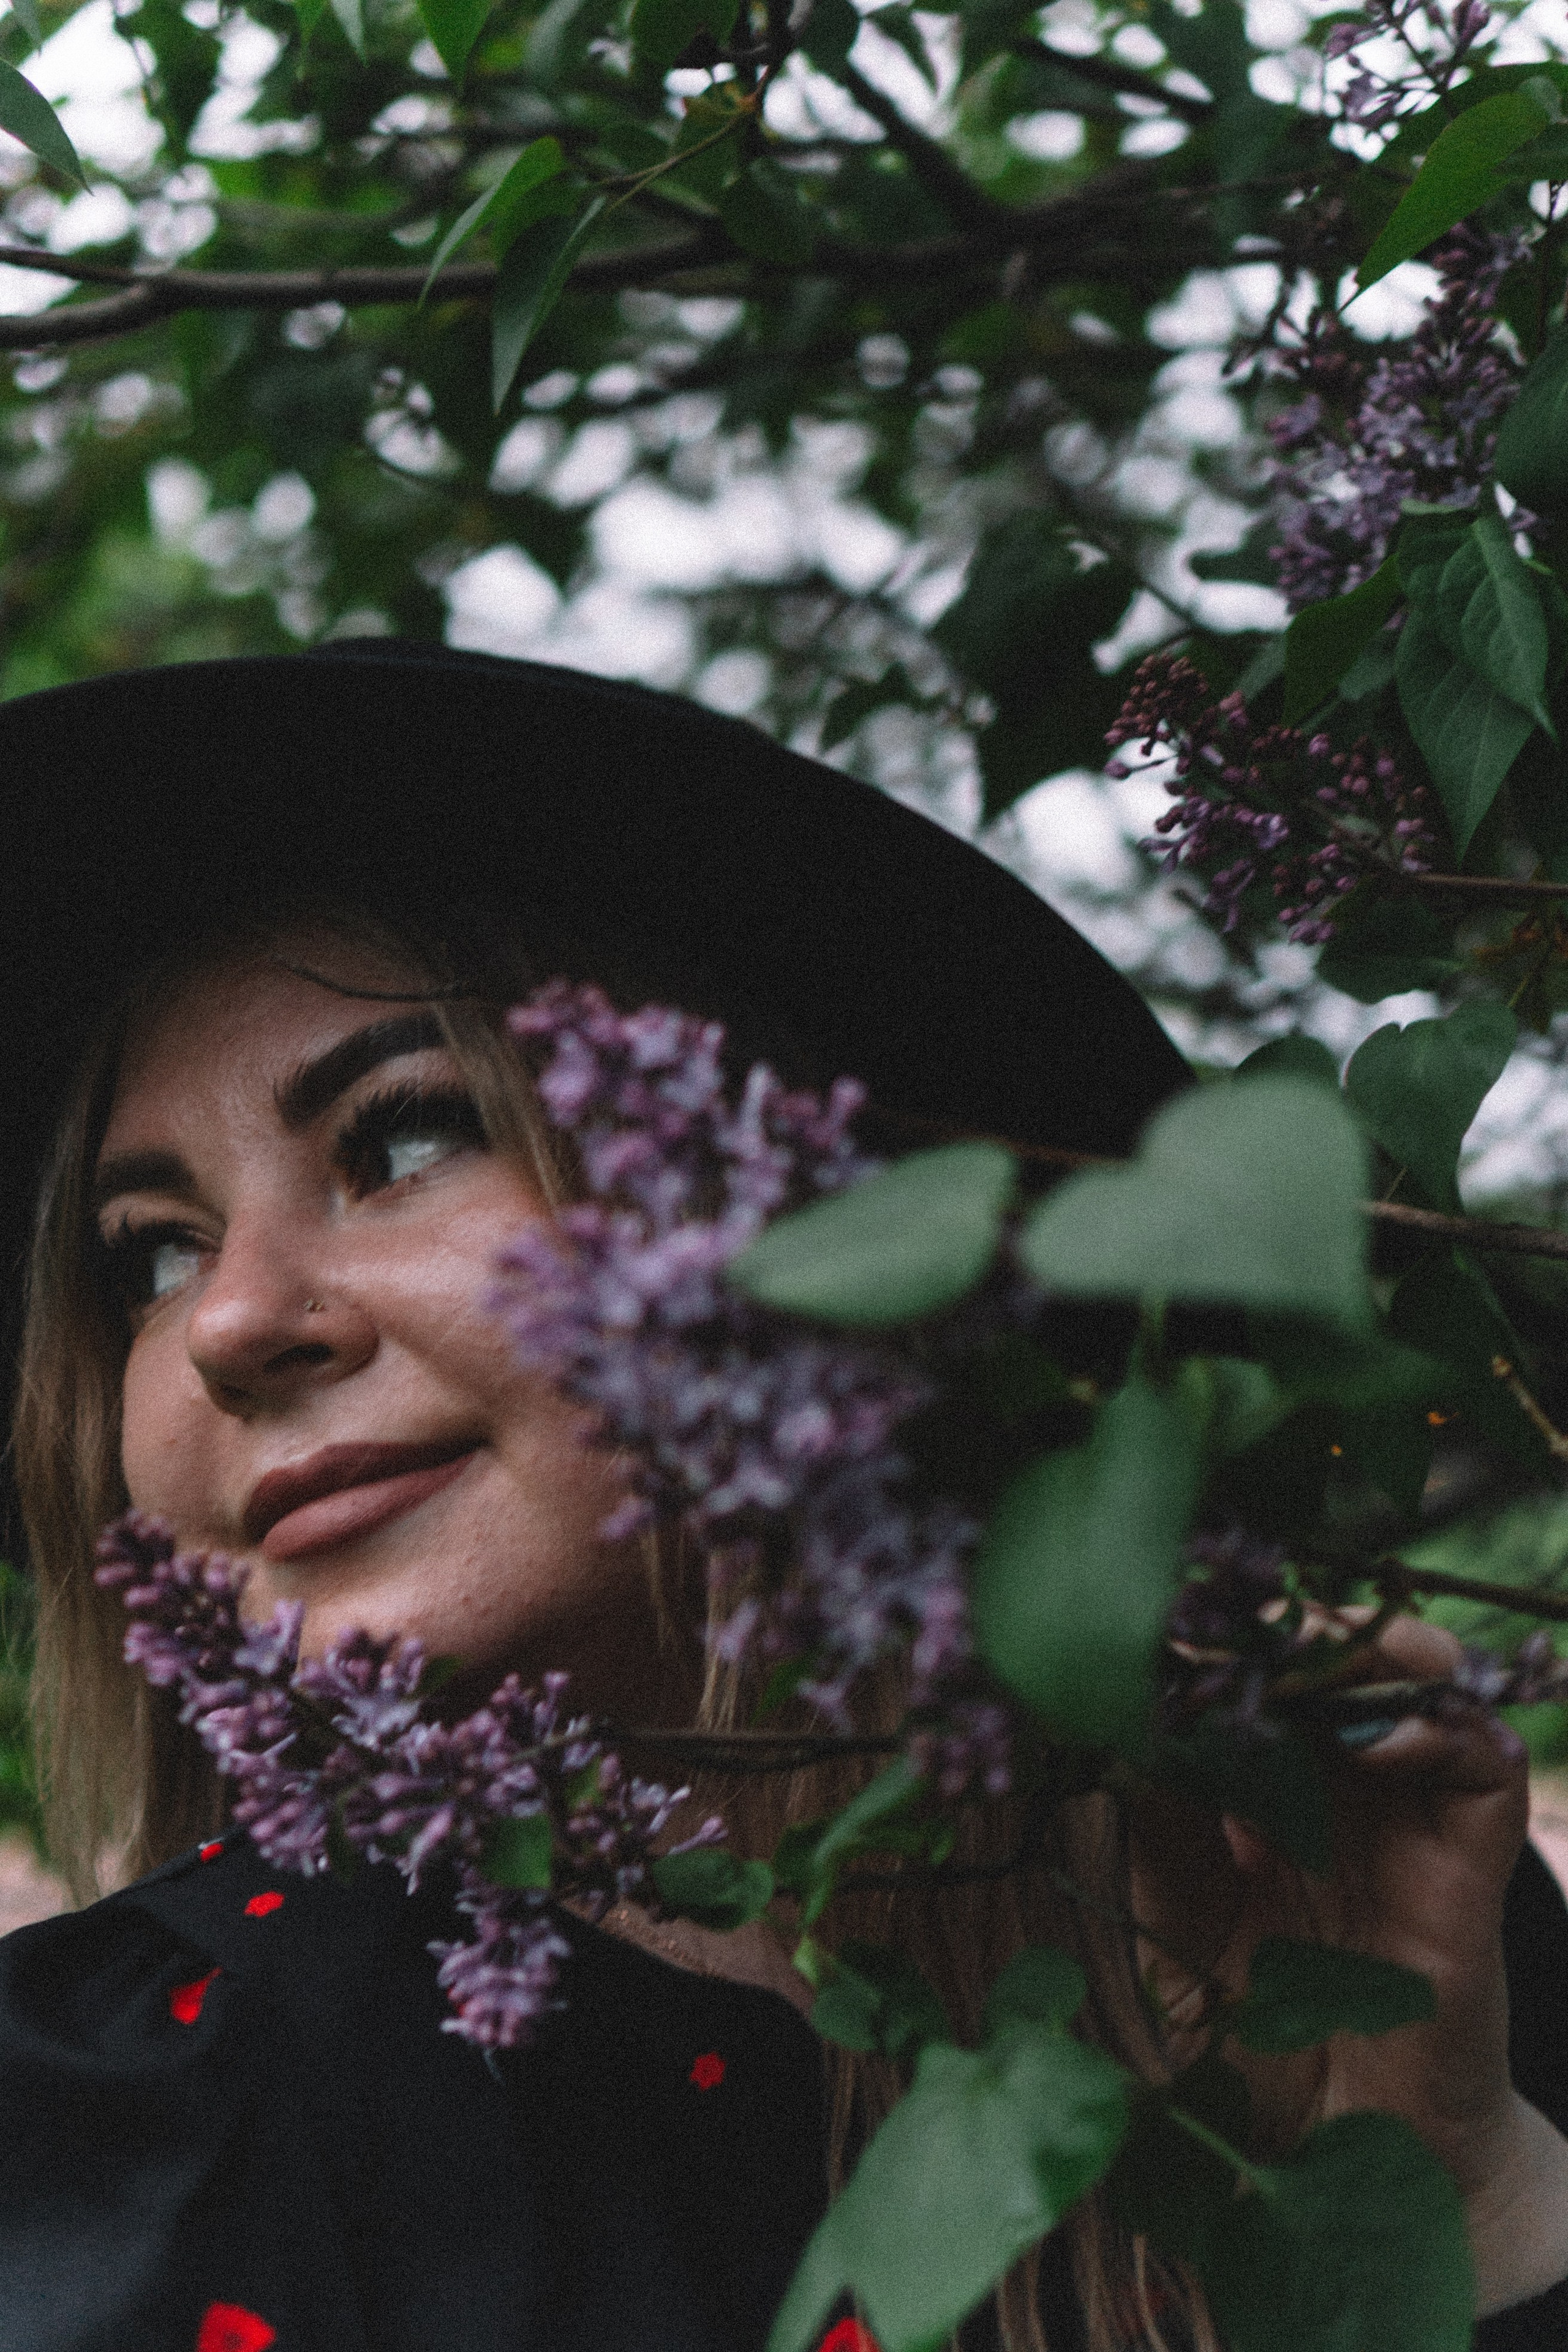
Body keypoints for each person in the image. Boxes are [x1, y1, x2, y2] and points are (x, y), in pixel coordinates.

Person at [0, 639, 1562, 2352]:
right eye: (150, 1256)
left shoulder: (1366, 1898)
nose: (227, 1323)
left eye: (404, 1138)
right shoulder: (109, 2131)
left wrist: (1454, 2193)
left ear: (804, 1226)